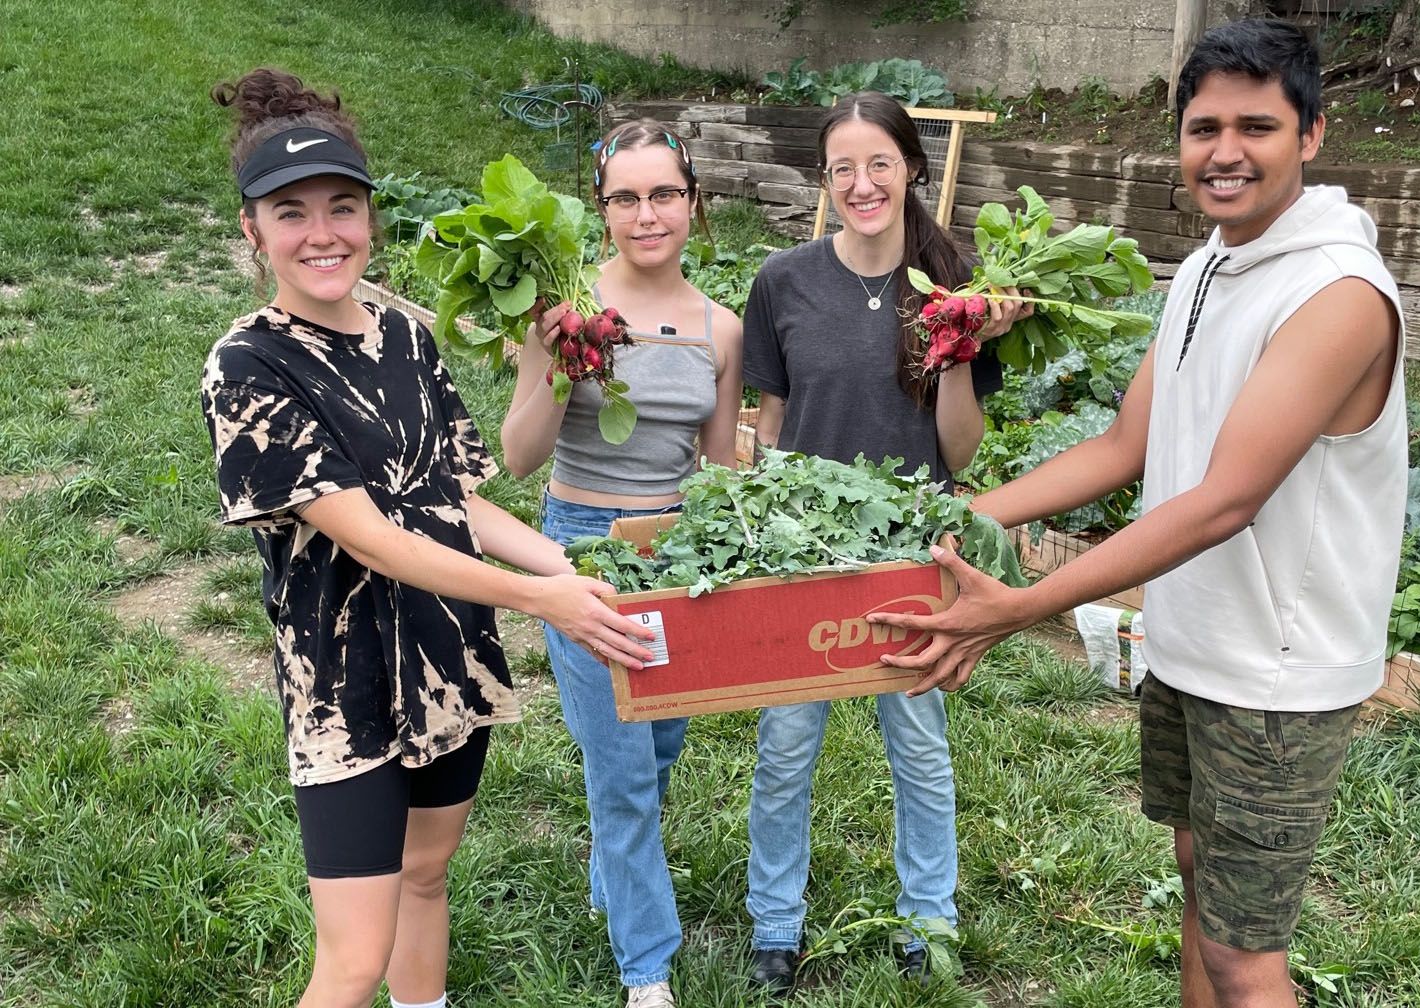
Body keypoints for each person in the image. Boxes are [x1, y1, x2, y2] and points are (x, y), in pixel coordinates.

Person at [871, 20, 1406, 1008]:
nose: (1226, 151)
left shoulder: (1336, 294)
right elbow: (1127, 447)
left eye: (1259, 126)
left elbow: (1224, 501)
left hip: (1277, 671)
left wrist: (1019, 604)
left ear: (1313, 134)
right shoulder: (1210, 263)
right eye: (1204, 128)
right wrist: (939, 517)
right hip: (1195, 640)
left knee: (1250, 960)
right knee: (1199, 884)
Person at [201, 68, 653, 1008]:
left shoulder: (406, 335)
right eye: (290, 212)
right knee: (352, 960)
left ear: (371, 216)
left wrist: (572, 566)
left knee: (426, 876)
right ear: (252, 230)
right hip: (345, 678)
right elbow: (372, 537)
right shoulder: (246, 364)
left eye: (342, 206)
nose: (322, 233)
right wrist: (543, 600)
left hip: (448, 649)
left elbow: (456, 500)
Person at [739, 91, 1033, 995]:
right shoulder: (783, 281)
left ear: (910, 167)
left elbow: (958, 451)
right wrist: (758, 525)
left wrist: (953, 348)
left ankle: (928, 922)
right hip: (807, 546)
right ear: (825, 181)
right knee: (787, 745)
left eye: (879, 163)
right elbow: (772, 423)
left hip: (914, 545)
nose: (861, 183)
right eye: (842, 168)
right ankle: (776, 927)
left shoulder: (955, 291)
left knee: (918, 741)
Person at [498, 118, 744, 1008]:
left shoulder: (724, 327)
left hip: (676, 554)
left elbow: (721, 467)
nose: (648, 214)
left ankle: (611, 870)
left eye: (665, 194)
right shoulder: (561, 306)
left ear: (693, 202)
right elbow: (519, 456)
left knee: (662, 746)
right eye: (626, 198)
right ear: (601, 210)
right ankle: (649, 970)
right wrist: (560, 363)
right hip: (582, 547)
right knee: (626, 771)